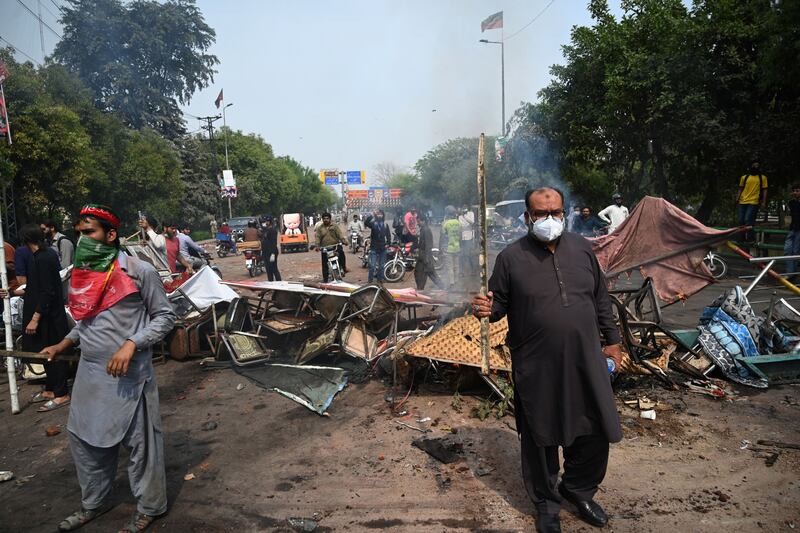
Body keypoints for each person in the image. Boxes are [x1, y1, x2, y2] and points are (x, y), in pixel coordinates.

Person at [471, 187, 623, 533]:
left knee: (595, 428)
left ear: (564, 212)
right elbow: (497, 306)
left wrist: (613, 343)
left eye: (555, 212)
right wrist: (486, 309)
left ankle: (579, 489)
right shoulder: (510, 258)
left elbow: (601, 299)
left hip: (586, 359)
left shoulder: (583, 250)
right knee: (541, 436)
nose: (549, 219)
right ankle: (546, 504)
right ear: (527, 218)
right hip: (536, 363)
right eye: (541, 214)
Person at [42, 204, 176, 533]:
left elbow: (166, 317)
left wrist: (132, 343)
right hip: (91, 374)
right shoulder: (84, 274)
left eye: (89, 232)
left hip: (131, 376)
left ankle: (150, 507)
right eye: (79, 233)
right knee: (85, 440)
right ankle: (94, 502)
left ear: (111, 235)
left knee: (142, 446)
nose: (83, 238)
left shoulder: (138, 271)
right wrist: (64, 343)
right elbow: (87, 322)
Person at [1, 225, 70, 412]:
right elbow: (35, 287)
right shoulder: (38, 257)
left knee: (52, 353)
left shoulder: (44, 258)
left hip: (49, 317)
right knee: (42, 352)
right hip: (41, 314)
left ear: (25, 240)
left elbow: (47, 292)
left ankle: (61, 393)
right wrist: (12, 291)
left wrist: (36, 318)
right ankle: (50, 389)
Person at [736, 159, 768, 242]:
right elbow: (740, 188)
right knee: (740, 220)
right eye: (754, 165)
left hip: (754, 201)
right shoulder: (744, 177)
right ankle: (741, 237)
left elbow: (764, 190)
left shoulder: (762, 178)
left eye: (757, 166)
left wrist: (764, 201)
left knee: (748, 219)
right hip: (742, 201)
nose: (755, 167)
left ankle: (750, 238)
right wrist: (737, 198)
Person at [315, 212, 347, 282]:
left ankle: (343, 268)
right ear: (322, 219)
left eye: (327, 218)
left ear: (330, 219)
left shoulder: (334, 226)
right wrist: (317, 246)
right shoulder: (320, 228)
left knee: (341, 254)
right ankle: (325, 279)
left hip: (335, 246)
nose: (326, 220)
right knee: (324, 263)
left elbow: (340, 235)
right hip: (325, 248)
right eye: (324, 219)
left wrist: (344, 241)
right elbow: (317, 237)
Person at [414, 213, 444, 290]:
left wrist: (427, 259)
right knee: (419, 273)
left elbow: (428, 245)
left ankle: (443, 288)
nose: (417, 223)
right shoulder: (423, 229)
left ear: (423, 221)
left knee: (431, 274)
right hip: (422, 257)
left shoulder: (426, 230)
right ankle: (420, 289)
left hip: (425, 257)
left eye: (419, 221)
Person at [364, 209, 391, 284]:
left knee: (381, 266)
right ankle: (370, 280)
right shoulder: (373, 223)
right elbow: (366, 223)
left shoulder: (385, 224)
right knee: (372, 265)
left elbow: (388, 235)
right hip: (374, 248)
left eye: (381, 214)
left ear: (383, 215)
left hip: (382, 248)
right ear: (376, 215)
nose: (379, 215)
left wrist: (388, 243)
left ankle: (380, 279)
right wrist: (372, 215)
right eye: (378, 214)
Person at [440, 206, 462, 288]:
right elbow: (460, 236)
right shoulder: (458, 223)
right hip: (457, 247)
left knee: (450, 266)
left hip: (448, 248)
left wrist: (441, 247)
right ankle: (456, 281)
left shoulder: (446, 223)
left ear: (447, 214)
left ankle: (451, 282)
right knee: (456, 265)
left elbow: (442, 236)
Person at [784, 184, 800, 276]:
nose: (795, 193)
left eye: (797, 191)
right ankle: (790, 273)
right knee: (787, 250)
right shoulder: (792, 203)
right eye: (794, 191)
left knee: (795, 251)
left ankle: (792, 274)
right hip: (792, 229)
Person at [260, 216, 281, 281]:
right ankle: (271, 283)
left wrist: (273, 253)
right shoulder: (266, 230)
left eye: (268, 221)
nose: (266, 222)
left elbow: (274, 242)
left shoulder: (273, 230)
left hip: (271, 252)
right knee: (268, 270)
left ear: (270, 222)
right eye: (266, 221)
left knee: (274, 269)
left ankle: (279, 283)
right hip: (265, 252)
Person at [458, 206, 477, 276]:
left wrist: (465, 216)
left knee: (468, 254)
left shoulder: (471, 213)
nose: (464, 208)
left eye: (465, 206)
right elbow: (461, 225)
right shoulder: (460, 216)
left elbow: (472, 222)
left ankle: (473, 270)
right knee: (461, 255)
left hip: (469, 237)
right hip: (462, 237)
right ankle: (461, 272)